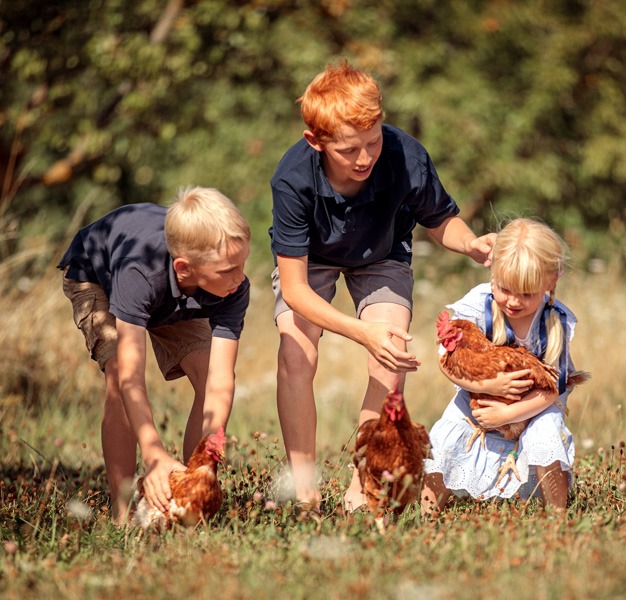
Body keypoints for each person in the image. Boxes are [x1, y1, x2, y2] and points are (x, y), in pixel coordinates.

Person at [269, 60, 495, 509]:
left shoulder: (404, 155)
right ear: (316, 142)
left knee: (389, 355)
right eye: (350, 150)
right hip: (312, 260)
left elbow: (440, 219)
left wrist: (470, 244)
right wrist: (359, 333)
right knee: (297, 351)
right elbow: (295, 290)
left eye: (373, 142)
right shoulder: (292, 178)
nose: (366, 158)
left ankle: (363, 487)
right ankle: (306, 487)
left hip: (383, 254)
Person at [58, 187, 251, 522]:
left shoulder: (231, 286)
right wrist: (154, 453)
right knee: (118, 376)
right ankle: (123, 511)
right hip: (98, 277)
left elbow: (221, 381)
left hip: (178, 293)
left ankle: (186, 501)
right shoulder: (141, 272)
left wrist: (205, 465)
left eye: (242, 264)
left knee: (207, 376)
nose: (240, 278)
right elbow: (132, 375)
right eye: (227, 270)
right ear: (185, 267)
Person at [421, 218, 580, 515]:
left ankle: (558, 519)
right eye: (505, 289)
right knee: (444, 436)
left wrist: (508, 413)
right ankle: (426, 519)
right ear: (493, 273)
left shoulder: (555, 320)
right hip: (475, 396)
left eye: (527, 294)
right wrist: (488, 388)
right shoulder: (478, 304)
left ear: (551, 282)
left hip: (535, 404)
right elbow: (445, 357)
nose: (514, 302)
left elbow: (554, 388)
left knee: (544, 436)